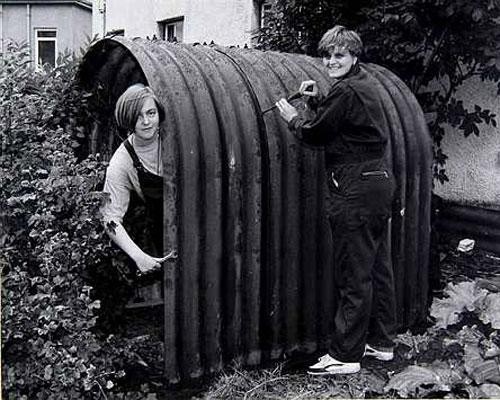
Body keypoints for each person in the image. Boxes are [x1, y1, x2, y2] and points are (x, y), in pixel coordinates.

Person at [276, 25, 396, 375]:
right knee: (376, 266)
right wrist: (317, 101)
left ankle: (345, 355)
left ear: (354, 55)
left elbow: (317, 134)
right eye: (327, 55)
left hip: (355, 186)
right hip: (378, 181)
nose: (331, 61)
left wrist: (294, 118)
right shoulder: (363, 84)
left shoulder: (345, 91)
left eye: (339, 55)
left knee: (352, 272)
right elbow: (345, 126)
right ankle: (382, 342)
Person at [101, 83, 176, 276]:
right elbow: (110, 217)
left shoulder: (179, 139)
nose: (146, 122)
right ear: (128, 119)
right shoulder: (122, 162)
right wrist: (138, 255)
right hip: (168, 237)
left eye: (151, 113)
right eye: (138, 116)